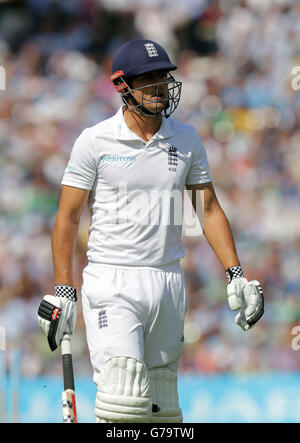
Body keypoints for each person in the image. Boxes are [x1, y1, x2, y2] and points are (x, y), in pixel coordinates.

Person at [37, 39, 264, 423]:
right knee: (124, 405)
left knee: (162, 411)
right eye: (149, 78)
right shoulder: (95, 141)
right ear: (122, 86)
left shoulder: (187, 139)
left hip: (168, 281)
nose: (161, 85)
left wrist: (236, 273)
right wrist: (63, 288)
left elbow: (207, 208)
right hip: (113, 280)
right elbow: (67, 218)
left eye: (164, 76)